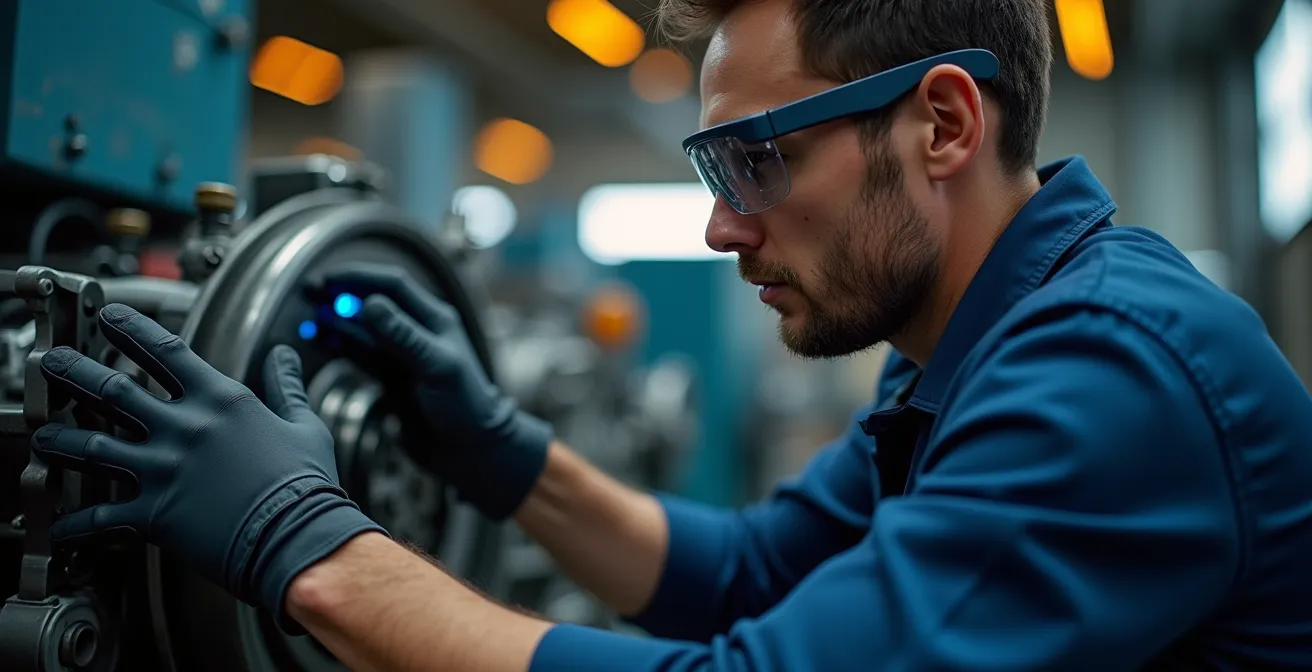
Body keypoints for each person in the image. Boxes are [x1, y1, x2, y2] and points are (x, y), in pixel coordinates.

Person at [28, 0, 1312, 669]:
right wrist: (504, 456)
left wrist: (304, 544)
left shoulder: (1108, 370)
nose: (718, 230)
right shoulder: (966, 346)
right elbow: (757, 571)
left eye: (754, 163)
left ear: (941, 124)